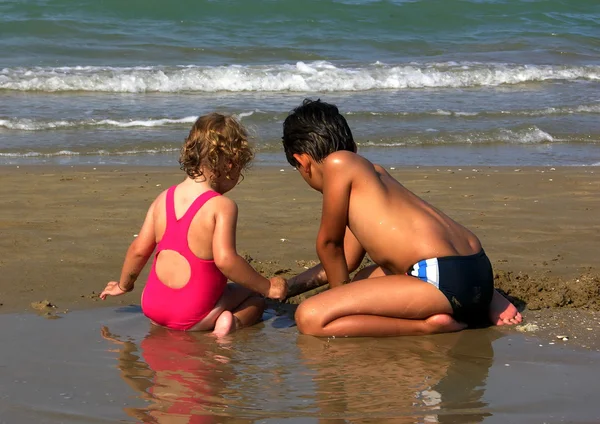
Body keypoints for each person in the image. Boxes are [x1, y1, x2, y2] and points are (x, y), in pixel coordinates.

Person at [281, 99, 522, 337]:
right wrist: (288, 287)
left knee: (310, 317)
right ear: (354, 147)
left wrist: (336, 301)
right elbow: (347, 259)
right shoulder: (373, 174)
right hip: (476, 268)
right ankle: (486, 300)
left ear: (303, 163)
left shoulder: (337, 164)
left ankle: (428, 325)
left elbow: (329, 245)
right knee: (364, 278)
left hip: (440, 277)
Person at [100, 113, 287, 336]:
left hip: (152, 308)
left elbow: (138, 250)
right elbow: (226, 261)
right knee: (254, 297)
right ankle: (230, 324)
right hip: (193, 315)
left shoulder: (164, 198)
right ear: (230, 164)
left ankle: (179, 318)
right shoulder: (221, 206)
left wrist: (123, 285)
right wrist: (267, 287)